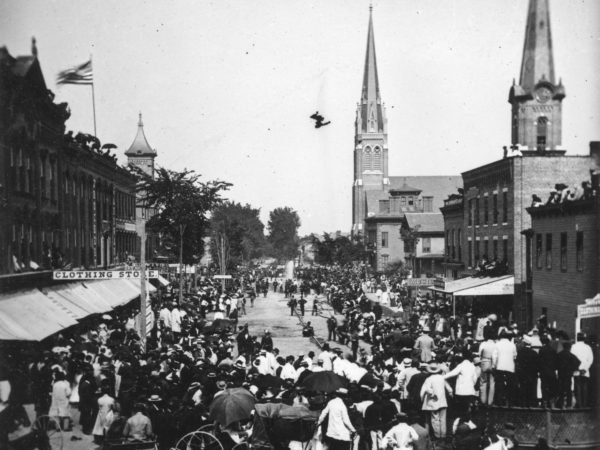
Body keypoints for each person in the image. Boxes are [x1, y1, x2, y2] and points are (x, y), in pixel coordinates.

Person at [420, 363, 452, 439]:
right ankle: (443, 435)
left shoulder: (429, 379)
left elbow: (426, 390)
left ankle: (437, 436)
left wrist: (424, 398)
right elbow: (449, 389)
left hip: (433, 402)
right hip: (443, 402)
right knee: (443, 420)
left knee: (435, 420)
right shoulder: (442, 378)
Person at [571, 333, 594, 407]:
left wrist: (578, 368)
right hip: (585, 370)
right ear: (584, 338)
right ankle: (584, 404)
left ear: (577, 338)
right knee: (585, 388)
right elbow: (591, 359)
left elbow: (572, 358)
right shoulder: (588, 347)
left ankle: (579, 404)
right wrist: (585, 368)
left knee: (577, 387)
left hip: (577, 370)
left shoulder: (573, 347)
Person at [556, 341, 580, 408]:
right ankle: (568, 404)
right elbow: (578, 362)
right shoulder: (571, 355)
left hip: (561, 374)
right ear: (569, 347)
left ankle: (560, 404)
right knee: (568, 390)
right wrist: (572, 369)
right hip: (568, 374)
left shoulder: (559, 354)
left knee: (561, 389)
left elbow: (555, 364)